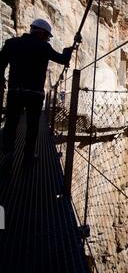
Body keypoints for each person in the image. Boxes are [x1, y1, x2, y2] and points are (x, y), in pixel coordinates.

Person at [0, 19, 73, 166]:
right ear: (41, 33)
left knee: (11, 124)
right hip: (34, 95)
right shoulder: (44, 47)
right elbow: (63, 59)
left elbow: (0, 64)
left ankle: (8, 153)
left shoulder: (11, 43)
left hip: (15, 92)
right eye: (47, 36)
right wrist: (69, 49)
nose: (47, 39)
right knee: (32, 126)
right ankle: (28, 158)